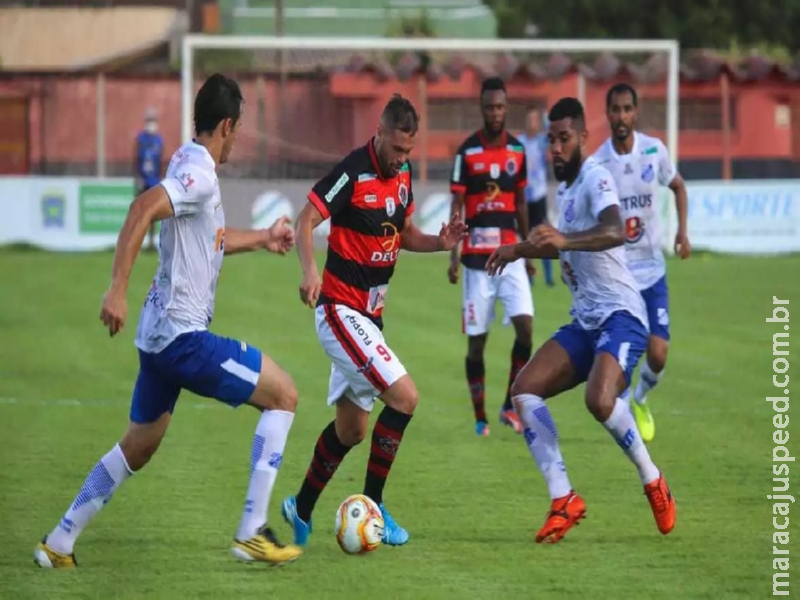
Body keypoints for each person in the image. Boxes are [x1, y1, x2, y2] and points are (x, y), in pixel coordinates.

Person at [34, 74, 303, 569]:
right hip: (183, 339)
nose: (238, 137)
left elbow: (211, 237)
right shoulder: (199, 175)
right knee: (284, 394)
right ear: (226, 124)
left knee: (138, 446)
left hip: (157, 339)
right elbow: (141, 209)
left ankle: (60, 540)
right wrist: (116, 287)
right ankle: (251, 531)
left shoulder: (186, 159)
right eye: (238, 128)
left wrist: (264, 237)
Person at [281, 94, 468, 548]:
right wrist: (309, 271)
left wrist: (440, 243)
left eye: (409, 151)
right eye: (397, 148)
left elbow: (403, 236)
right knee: (405, 398)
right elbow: (306, 219)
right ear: (379, 132)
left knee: (352, 430)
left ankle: (300, 508)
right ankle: (375, 505)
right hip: (340, 311)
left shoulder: (401, 177)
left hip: (370, 317)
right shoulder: (352, 171)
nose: (402, 158)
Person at [486, 97, 676, 544]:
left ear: (582, 139)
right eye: (551, 139)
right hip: (586, 319)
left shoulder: (596, 178)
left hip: (623, 315)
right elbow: (559, 243)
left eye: (564, 138)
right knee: (524, 391)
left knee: (599, 400)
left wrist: (564, 237)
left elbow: (614, 229)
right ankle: (563, 498)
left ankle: (652, 478)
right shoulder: (568, 191)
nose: (555, 147)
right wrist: (516, 249)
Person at [592, 83, 691, 443]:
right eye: (615, 110)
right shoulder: (599, 164)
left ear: (636, 112)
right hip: (619, 276)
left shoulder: (654, 150)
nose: (621, 117)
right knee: (618, 358)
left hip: (652, 271)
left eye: (627, 109)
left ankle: (640, 399)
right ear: (607, 114)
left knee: (659, 353)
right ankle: (617, 411)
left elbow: (678, 186)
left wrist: (682, 232)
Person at [448, 77, 534, 437]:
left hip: (511, 255)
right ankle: (481, 416)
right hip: (476, 263)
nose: (495, 113)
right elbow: (456, 204)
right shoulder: (467, 153)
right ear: (482, 109)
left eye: (500, 106)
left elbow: (521, 203)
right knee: (477, 343)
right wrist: (453, 254)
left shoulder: (518, 151)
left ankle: (507, 406)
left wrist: (528, 249)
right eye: (489, 107)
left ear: (506, 108)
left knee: (526, 329)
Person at [518, 106, 555, 287]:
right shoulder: (520, 142)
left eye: (535, 120)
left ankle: (548, 277)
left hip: (539, 195)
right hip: (524, 196)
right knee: (527, 237)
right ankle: (529, 273)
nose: (532, 123)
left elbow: (552, 135)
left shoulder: (541, 142)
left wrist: (547, 119)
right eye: (529, 120)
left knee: (544, 235)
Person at [134, 108, 164, 252]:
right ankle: (137, 242)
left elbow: (161, 161)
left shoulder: (158, 140)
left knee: (152, 214)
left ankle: (151, 242)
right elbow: (136, 159)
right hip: (143, 179)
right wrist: (137, 178)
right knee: (139, 212)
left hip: (154, 180)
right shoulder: (141, 139)